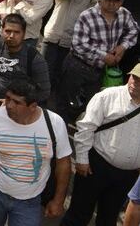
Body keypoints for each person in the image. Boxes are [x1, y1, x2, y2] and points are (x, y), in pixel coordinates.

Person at [0, 79, 72, 225]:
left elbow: (63, 164)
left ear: (33, 107)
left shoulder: (55, 123)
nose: (9, 106)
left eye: (17, 102)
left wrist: (58, 200)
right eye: (8, 98)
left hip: (29, 201)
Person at [62, 63, 140, 226]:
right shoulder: (108, 96)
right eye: (134, 77)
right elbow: (86, 127)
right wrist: (82, 160)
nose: (135, 82)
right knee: (78, 215)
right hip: (95, 167)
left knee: (108, 218)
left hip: (127, 176)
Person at [56, 0, 139, 123]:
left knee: (93, 104)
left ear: (121, 1)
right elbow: (78, 44)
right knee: (67, 103)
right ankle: (62, 132)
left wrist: (122, 47)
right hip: (78, 66)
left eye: (116, 0)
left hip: (101, 70)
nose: (111, 4)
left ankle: (84, 134)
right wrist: (104, 55)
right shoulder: (87, 16)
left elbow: (133, 30)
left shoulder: (124, 14)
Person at [41, 0, 103, 92]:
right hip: (53, 34)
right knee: (44, 72)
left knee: (61, 73)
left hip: (72, 38)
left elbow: (95, 12)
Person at [0, 14, 51, 116]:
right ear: (2, 30)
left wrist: (17, 102)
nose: (11, 36)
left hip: (16, 111)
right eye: (8, 31)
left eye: (16, 32)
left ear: (24, 34)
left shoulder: (35, 59)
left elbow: (44, 92)